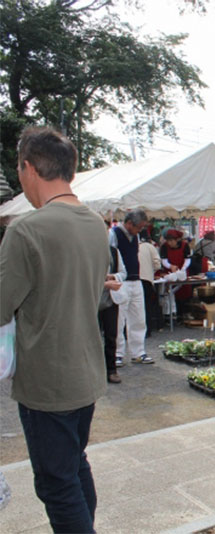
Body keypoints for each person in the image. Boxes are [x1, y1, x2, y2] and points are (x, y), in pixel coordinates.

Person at [0, 126, 109, 532]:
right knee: (75, 465)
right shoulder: (94, 223)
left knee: (57, 483)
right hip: (85, 370)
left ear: (29, 168)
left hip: (47, 379)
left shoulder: (27, 229)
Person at [110, 209, 153, 365]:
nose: (140, 230)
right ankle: (117, 353)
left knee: (138, 318)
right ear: (129, 223)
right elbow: (109, 255)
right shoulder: (113, 234)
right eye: (139, 227)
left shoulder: (135, 236)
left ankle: (138, 351)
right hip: (120, 281)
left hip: (136, 280)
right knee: (119, 319)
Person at [100, 246, 126, 383]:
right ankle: (95, 372)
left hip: (111, 299)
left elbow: (123, 272)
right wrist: (104, 283)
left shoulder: (113, 251)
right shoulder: (84, 248)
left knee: (111, 335)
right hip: (91, 299)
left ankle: (111, 370)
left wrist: (114, 276)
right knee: (92, 337)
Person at [159, 228, 193, 320]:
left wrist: (183, 269)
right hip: (170, 273)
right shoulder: (164, 247)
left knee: (185, 292)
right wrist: (171, 266)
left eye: (171, 241)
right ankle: (174, 314)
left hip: (182, 272)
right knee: (171, 292)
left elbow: (188, 259)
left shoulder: (185, 245)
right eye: (168, 241)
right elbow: (164, 260)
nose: (169, 243)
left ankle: (185, 313)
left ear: (177, 239)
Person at [138, 230, 161, 336]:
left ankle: (134, 331)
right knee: (147, 305)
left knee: (135, 307)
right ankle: (147, 330)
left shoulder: (131, 245)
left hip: (132, 280)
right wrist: (151, 271)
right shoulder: (149, 246)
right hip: (146, 279)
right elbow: (157, 264)